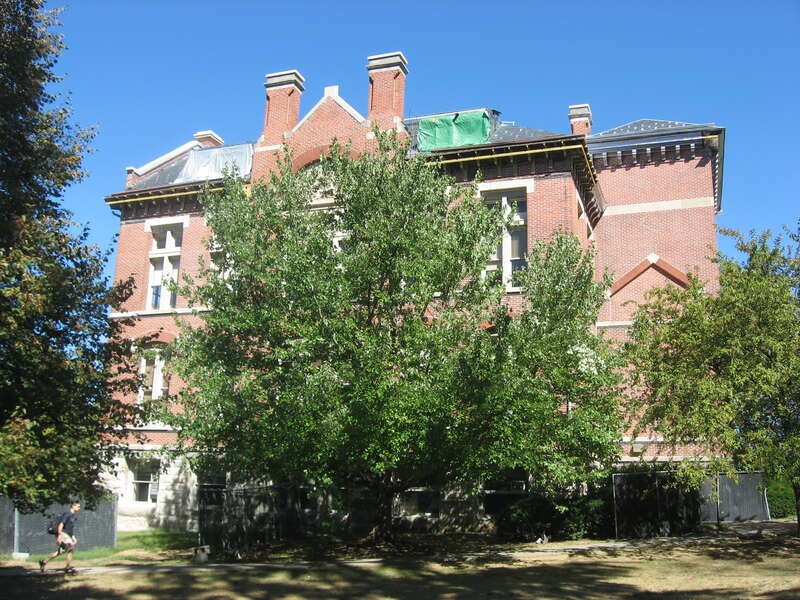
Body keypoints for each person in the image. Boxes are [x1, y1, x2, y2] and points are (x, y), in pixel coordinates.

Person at [39, 501, 80, 574]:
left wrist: (73, 537)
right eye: (78, 506)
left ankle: (44, 561)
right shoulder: (67, 514)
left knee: (60, 552)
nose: (79, 508)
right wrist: (59, 536)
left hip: (68, 535)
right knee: (71, 548)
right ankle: (67, 568)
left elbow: (69, 528)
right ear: (73, 506)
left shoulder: (73, 516)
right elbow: (61, 525)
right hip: (63, 534)